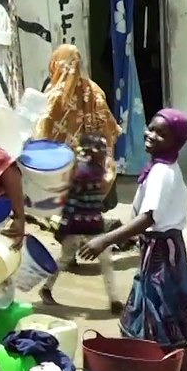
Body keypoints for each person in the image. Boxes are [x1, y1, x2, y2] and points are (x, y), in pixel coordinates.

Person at [79, 109, 187, 371]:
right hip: (157, 253)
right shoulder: (159, 168)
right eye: (149, 129)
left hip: (162, 259)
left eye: (160, 133)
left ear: (176, 142)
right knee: (150, 330)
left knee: (167, 335)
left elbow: (149, 219)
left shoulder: (162, 174)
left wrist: (105, 239)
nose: (149, 135)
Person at [39, 133, 119, 312]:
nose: (104, 153)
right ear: (92, 152)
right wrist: (64, 225)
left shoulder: (93, 169)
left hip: (88, 223)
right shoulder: (85, 172)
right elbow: (72, 201)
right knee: (104, 260)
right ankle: (46, 289)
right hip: (82, 223)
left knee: (69, 258)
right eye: (101, 150)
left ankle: (114, 300)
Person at [33, 43, 122, 189]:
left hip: (58, 166)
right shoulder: (94, 90)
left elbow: (40, 127)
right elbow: (108, 126)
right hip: (89, 161)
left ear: (55, 63)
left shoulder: (52, 93)